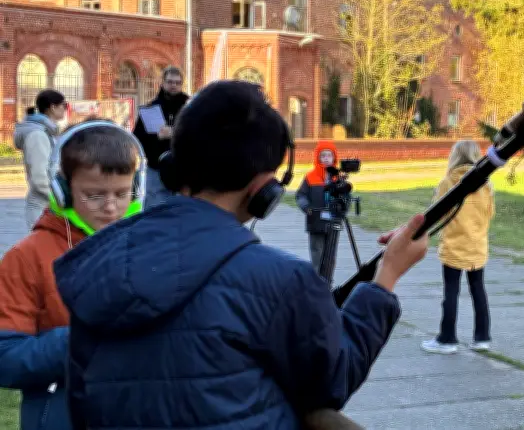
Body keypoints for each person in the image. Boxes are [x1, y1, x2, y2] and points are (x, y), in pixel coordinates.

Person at [54, 80, 429, 429]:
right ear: (263, 190)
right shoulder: (284, 282)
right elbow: (332, 381)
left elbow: (79, 398)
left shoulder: (95, 262)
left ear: (173, 166)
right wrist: (386, 278)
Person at [0, 120, 144, 430]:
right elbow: (6, 358)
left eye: (122, 193)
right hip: (62, 414)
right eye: (94, 195)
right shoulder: (27, 258)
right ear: (61, 191)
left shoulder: (148, 247)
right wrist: (82, 338)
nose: (111, 207)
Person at [421, 140, 495, 355]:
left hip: (454, 245)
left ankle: (447, 338)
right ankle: (482, 337)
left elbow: (438, 212)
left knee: (451, 292)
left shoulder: (449, 182)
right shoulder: (486, 184)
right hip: (477, 245)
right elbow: (490, 213)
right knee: (478, 290)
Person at [132, 65, 189, 208]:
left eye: (177, 83)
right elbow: (137, 138)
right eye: (170, 82)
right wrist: (156, 137)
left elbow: (201, 133)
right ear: (162, 83)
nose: (173, 86)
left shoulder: (191, 107)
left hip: (183, 168)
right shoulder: (151, 108)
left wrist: (174, 133)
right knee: (155, 210)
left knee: (182, 211)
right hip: (156, 169)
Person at [14, 90, 67, 229]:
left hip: (49, 205)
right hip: (43, 206)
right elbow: (39, 177)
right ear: (53, 107)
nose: (66, 109)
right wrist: (60, 199)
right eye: (64, 105)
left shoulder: (47, 132)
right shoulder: (37, 135)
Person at [295, 140, 339, 275]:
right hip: (315, 221)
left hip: (333, 222)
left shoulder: (338, 177)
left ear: (334, 157)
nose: (326, 159)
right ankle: (316, 280)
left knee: (330, 255)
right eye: (323, 155)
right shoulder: (310, 177)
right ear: (318, 157)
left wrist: (341, 211)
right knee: (316, 252)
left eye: (329, 155)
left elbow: (345, 198)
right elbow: (300, 195)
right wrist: (306, 207)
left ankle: (327, 281)